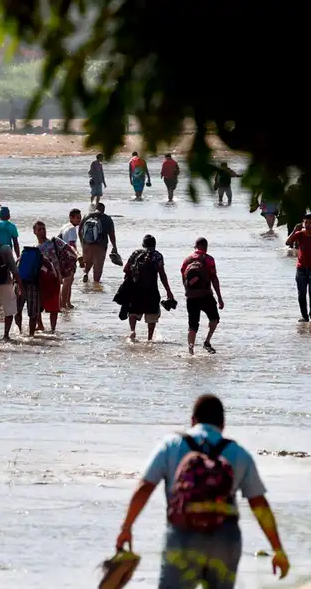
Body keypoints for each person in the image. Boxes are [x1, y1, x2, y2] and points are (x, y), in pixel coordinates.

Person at [115, 394, 290, 588]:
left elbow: (145, 487)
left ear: (192, 420)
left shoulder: (171, 445)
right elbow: (258, 503)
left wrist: (126, 528)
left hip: (183, 536)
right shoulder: (239, 453)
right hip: (225, 540)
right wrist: (278, 549)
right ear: (223, 424)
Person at [122, 235, 175, 341]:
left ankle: (132, 331)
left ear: (143, 244)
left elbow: (125, 269)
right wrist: (168, 291)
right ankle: (149, 339)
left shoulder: (136, 254)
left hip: (136, 289)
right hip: (151, 290)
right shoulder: (157, 256)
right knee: (152, 315)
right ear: (155, 245)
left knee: (133, 312)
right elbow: (162, 274)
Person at [180, 237, 224, 355]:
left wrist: (188, 292)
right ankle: (207, 341)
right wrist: (219, 297)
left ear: (195, 246)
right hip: (206, 295)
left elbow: (184, 276)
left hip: (191, 297)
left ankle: (191, 352)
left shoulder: (187, 259)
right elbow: (214, 278)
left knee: (192, 325)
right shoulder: (209, 260)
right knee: (214, 319)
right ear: (206, 247)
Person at [30, 221, 63, 335]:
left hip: (54, 278)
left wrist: (60, 276)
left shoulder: (52, 243)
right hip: (40, 279)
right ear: (34, 232)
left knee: (54, 306)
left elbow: (58, 259)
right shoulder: (34, 247)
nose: (42, 231)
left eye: (44, 228)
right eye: (39, 229)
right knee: (37, 304)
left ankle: (53, 329)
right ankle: (40, 325)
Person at [79, 202, 118, 283]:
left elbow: (80, 231)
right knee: (98, 268)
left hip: (87, 244)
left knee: (88, 263)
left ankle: (85, 273)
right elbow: (112, 235)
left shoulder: (87, 216)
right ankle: (96, 287)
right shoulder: (107, 219)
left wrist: (82, 244)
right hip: (100, 245)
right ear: (103, 210)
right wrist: (114, 247)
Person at [284, 213, 311, 322]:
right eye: (306, 223)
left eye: (310, 223)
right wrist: (295, 229)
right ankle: (304, 316)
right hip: (301, 268)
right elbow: (288, 242)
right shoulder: (299, 234)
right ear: (303, 223)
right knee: (302, 293)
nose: (308, 225)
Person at [57, 208, 82, 309]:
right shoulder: (71, 229)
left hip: (61, 257)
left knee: (68, 281)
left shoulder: (64, 226)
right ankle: (63, 305)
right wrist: (78, 255)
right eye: (77, 218)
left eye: (80, 218)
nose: (79, 220)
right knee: (68, 282)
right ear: (71, 217)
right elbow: (72, 245)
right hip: (68, 257)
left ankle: (67, 302)